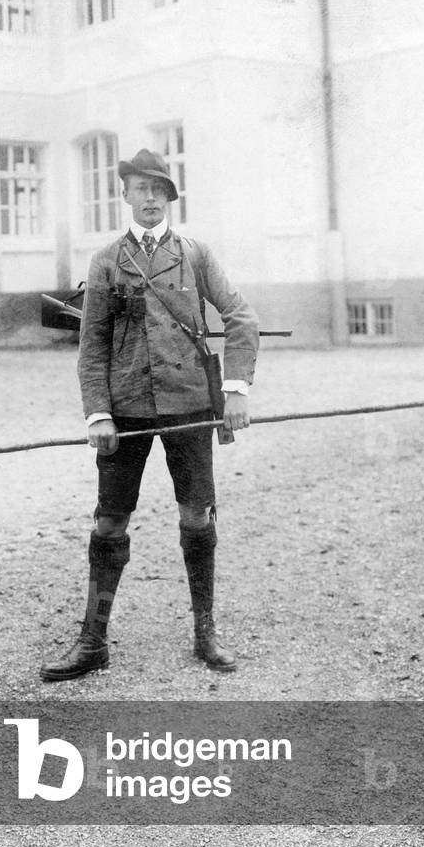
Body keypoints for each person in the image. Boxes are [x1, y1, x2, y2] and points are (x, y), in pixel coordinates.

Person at [39, 149, 260, 681]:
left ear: (169, 199)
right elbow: (91, 345)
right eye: (141, 189)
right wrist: (97, 413)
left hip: (189, 404)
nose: (150, 199)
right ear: (126, 196)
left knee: (197, 516)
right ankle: (93, 641)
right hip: (127, 408)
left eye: (159, 190)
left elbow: (240, 317)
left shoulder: (195, 254)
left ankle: (205, 631)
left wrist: (234, 390)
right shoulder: (107, 260)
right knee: (110, 519)